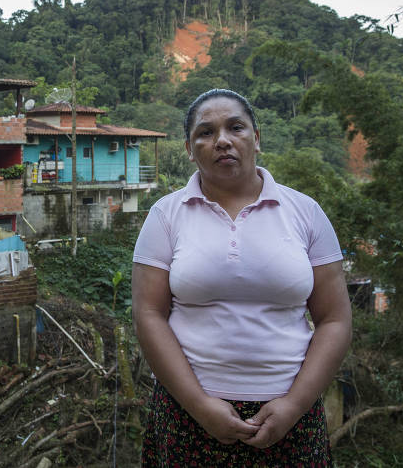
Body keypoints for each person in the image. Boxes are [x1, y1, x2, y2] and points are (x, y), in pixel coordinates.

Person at [132, 89, 351, 466]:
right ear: (189, 148)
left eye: (236, 127)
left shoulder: (305, 212)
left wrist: (294, 405)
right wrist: (200, 405)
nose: (222, 141)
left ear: (257, 139)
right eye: (205, 132)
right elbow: (148, 314)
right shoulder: (166, 215)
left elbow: (334, 318)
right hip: (189, 415)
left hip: (289, 417)